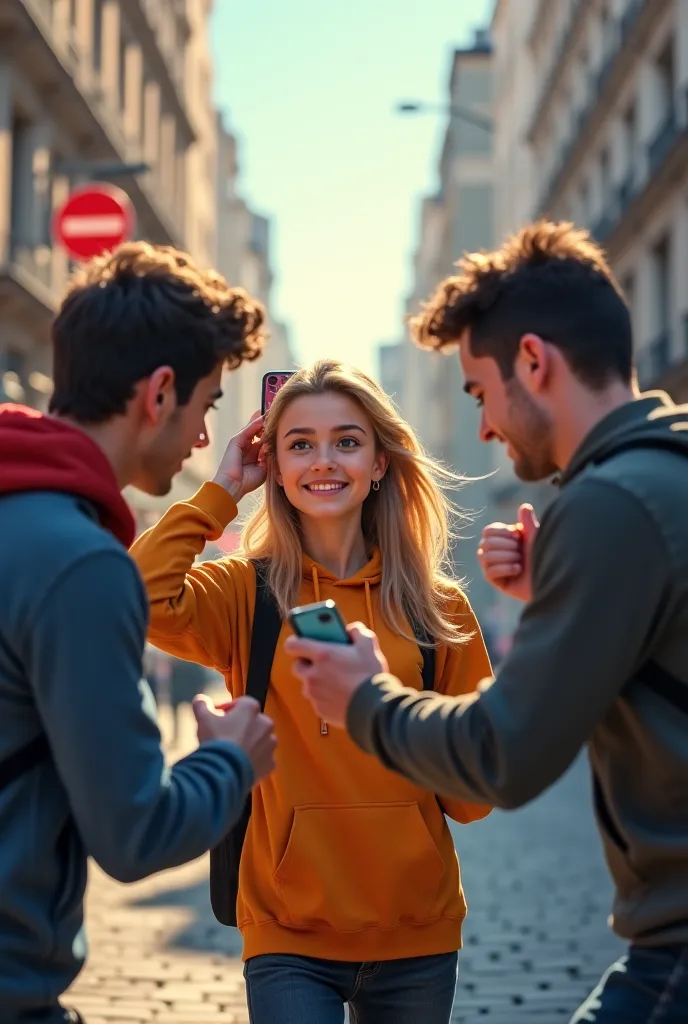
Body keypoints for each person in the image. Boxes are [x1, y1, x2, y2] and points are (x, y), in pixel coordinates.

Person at [286, 223, 688, 1023]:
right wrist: (563, 600)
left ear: (533, 363)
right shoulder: (662, 470)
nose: (483, 429)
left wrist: (366, 698)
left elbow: (502, 756)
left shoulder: (612, 502)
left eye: (479, 393)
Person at [130, 359, 493, 1024]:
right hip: (286, 932)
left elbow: (472, 797)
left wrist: (402, 721)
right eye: (300, 443)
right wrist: (220, 492)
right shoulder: (246, 593)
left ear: (381, 462)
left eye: (347, 441)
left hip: (417, 930)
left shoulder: (439, 610)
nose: (324, 460)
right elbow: (141, 598)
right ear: (274, 462)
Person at [0, 242, 277, 1024]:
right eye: (208, 404)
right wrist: (231, 759)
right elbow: (135, 833)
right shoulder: (80, 564)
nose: (201, 435)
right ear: (160, 393)